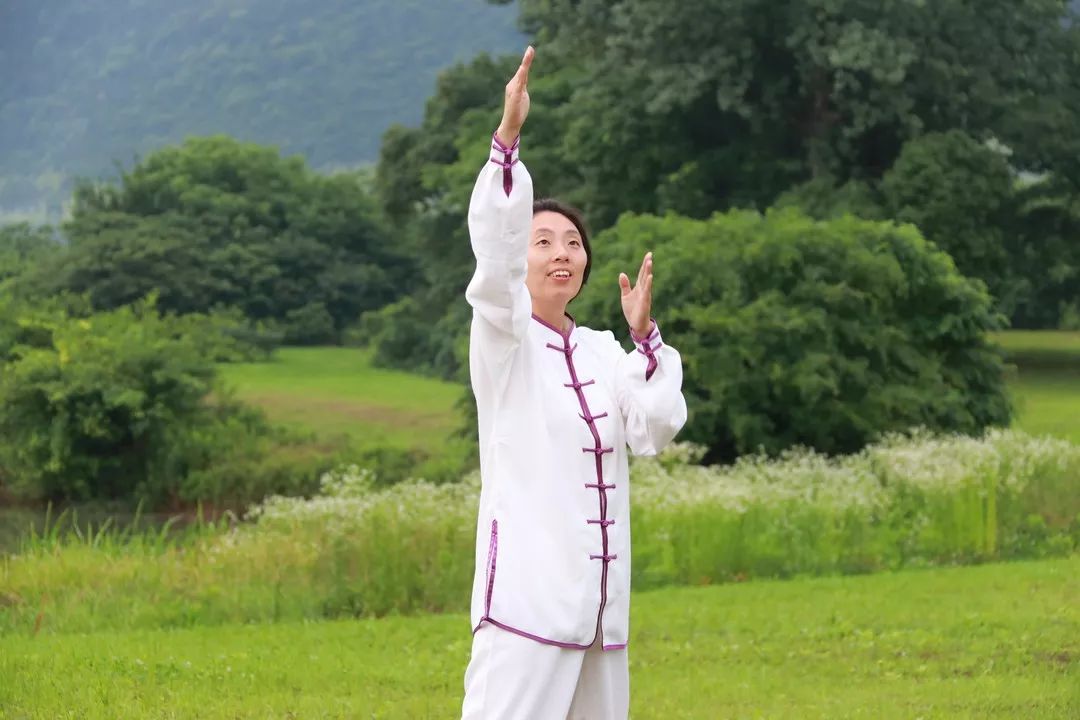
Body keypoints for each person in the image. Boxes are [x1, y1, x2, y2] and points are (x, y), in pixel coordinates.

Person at [461, 46, 688, 720]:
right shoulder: (503, 339)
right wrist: (507, 141)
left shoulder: (600, 351)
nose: (562, 252)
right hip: (527, 610)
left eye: (573, 242)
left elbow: (655, 426)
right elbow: (495, 267)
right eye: (544, 241)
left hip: (600, 614)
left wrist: (646, 336)